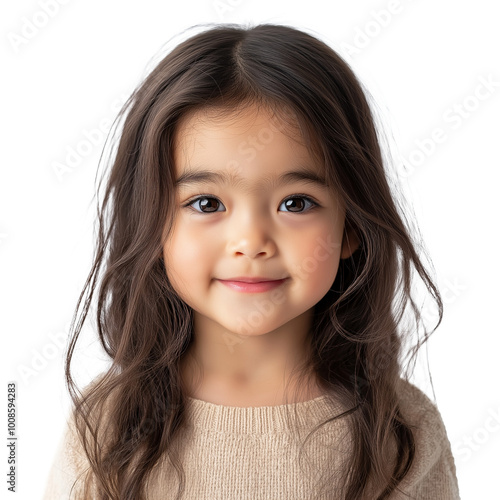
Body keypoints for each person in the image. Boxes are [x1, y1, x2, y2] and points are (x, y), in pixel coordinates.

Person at [43, 23, 460, 499]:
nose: (251, 241)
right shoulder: (106, 427)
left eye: (296, 203)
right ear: (153, 225)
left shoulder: (402, 432)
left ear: (352, 227)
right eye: (206, 204)